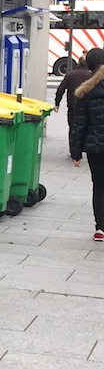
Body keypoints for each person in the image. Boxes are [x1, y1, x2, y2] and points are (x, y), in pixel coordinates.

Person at [70, 47, 104, 241]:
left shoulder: (85, 90)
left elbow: (79, 123)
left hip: (95, 146)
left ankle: (101, 228)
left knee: (99, 186)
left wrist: (76, 152)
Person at [56, 56, 92, 155]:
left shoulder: (70, 74)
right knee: (85, 127)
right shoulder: (90, 75)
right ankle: (83, 147)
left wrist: (57, 103)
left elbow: (61, 89)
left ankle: (73, 149)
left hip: (72, 106)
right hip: (87, 107)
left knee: (72, 127)